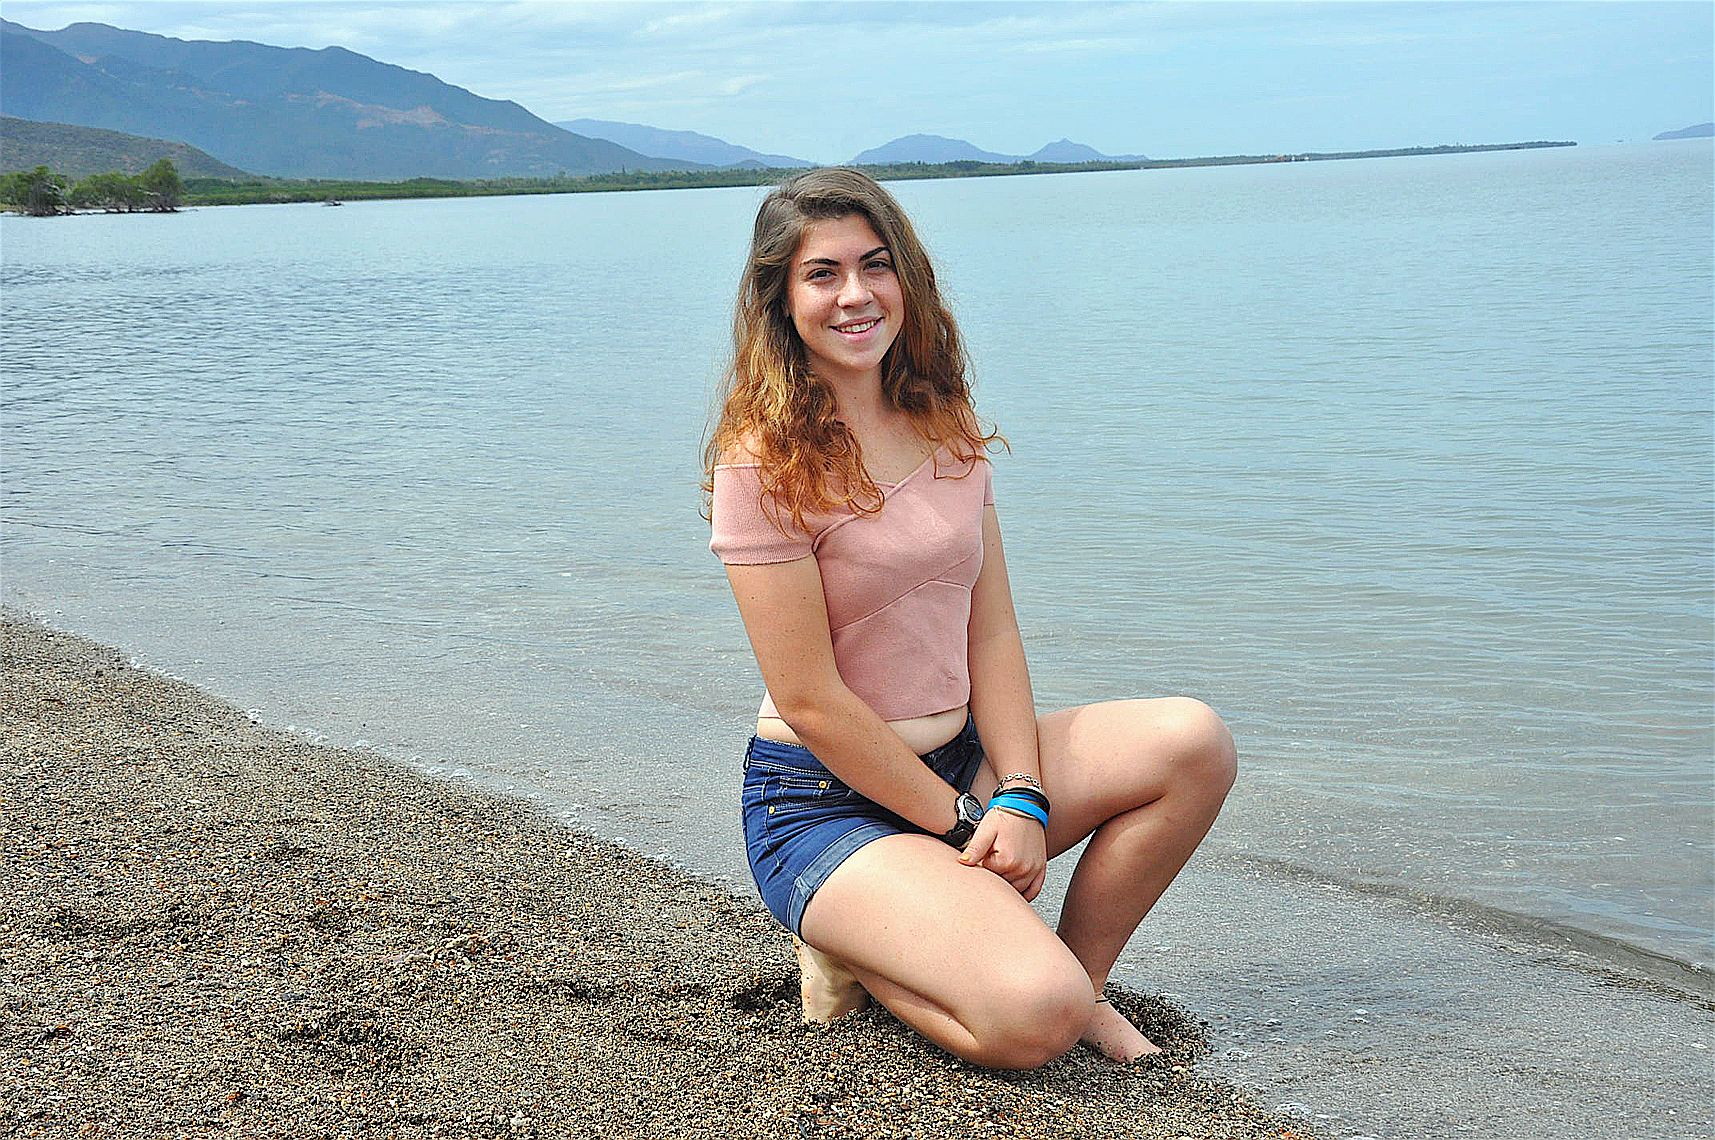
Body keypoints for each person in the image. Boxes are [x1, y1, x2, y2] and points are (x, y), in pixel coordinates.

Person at [703, 167, 1236, 1070]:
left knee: (1191, 742)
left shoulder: (943, 422)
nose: (856, 295)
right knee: (1031, 1022)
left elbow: (989, 633)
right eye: (821, 273)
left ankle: (1081, 981)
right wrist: (963, 828)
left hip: (963, 761)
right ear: (779, 299)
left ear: (907, 277)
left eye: (875, 266)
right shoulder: (762, 466)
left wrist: (1019, 793)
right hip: (826, 802)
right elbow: (811, 700)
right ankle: (866, 951)